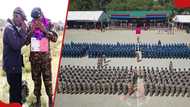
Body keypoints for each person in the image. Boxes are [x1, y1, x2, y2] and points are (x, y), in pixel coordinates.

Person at [26, 7, 58, 107]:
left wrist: (44, 30)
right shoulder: (30, 25)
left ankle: (50, 100)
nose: (36, 20)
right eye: (34, 18)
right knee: (36, 81)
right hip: (34, 60)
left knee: (48, 80)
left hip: (45, 60)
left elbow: (55, 38)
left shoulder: (48, 23)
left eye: (37, 17)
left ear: (41, 15)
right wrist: (31, 31)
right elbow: (26, 41)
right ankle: (38, 101)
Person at [3, 7, 28, 105]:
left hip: (15, 65)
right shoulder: (9, 28)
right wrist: (23, 30)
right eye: (22, 20)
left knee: (16, 91)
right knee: (15, 93)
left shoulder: (13, 28)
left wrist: (26, 33)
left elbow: (21, 41)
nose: (22, 23)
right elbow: (16, 45)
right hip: (12, 66)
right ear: (16, 16)